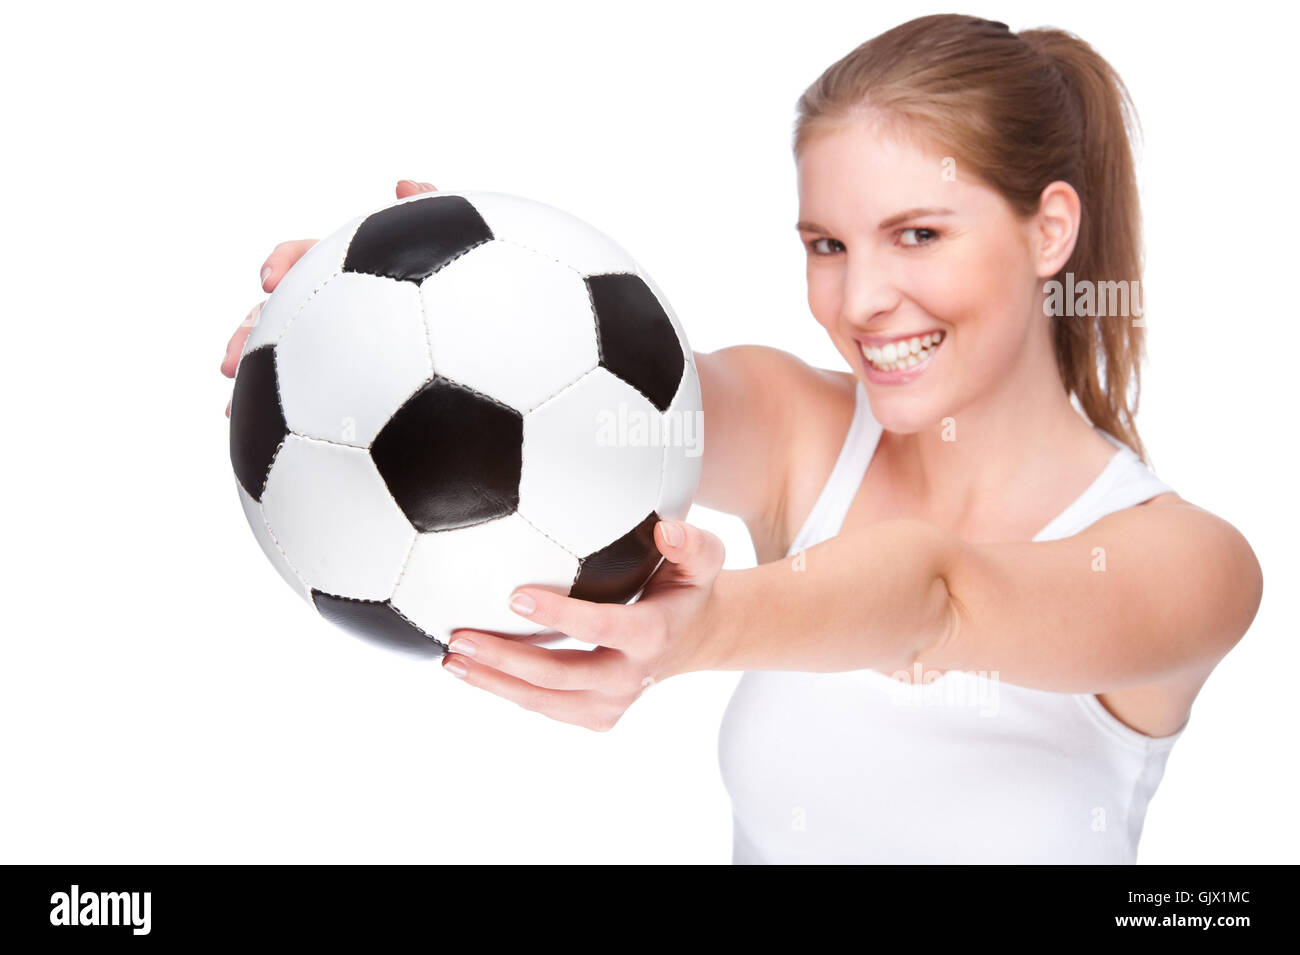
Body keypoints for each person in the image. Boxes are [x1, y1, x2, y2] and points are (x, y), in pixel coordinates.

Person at [221, 14, 1263, 864]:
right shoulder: (801, 429)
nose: (861, 300)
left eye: (918, 234)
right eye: (827, 244)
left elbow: (935, 598)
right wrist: (372, 327)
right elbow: (592, 404)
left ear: (1049, 231)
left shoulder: (1186, 564)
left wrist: (701, 632)